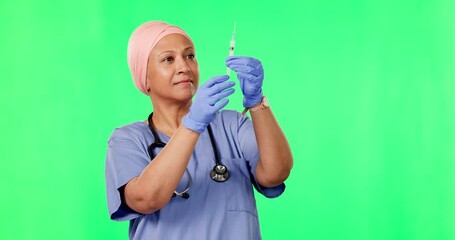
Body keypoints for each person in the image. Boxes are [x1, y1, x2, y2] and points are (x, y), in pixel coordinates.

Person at [105, 21, 293, 240]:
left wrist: (257, 103)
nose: (184, 67)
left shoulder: (231, 125)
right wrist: (192, 124)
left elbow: (275, 173)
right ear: (145, 77)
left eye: (190, 56)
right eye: (168, 59)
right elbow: (145, 199)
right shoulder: (128, 139)